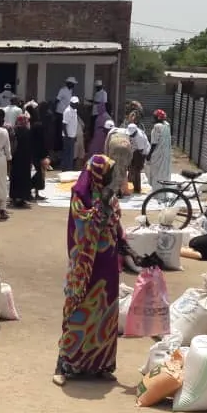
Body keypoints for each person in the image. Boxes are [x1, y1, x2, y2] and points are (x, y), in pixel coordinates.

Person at [53, 154, 139, 384]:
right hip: (85, 268)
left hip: (108, 266)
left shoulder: (110, 198)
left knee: (106, 313)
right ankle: (64, 366)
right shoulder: (80, 196)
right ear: (98, 174)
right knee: (79, 311)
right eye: (109, 173)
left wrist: (131, 252)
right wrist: (102, 204)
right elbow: (85, 225)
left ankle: (100, 364)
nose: (112, 177)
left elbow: (115, 230)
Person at [9, 115, 35, 208]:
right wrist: (31, 159)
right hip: (25, 159)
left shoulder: (14, 131)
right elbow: (31, 146)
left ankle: (14, 197)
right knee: (24, 178)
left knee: (15, 177)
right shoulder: (28, 131)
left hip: (15, 158)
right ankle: (23, 198)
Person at [26, 102, 48, 201]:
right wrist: (44, 154)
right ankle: (37, 193)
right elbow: (42, 141)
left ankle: (30, 193)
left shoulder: (28, 124)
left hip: (30, 152)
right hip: (37, 153)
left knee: (31, 173)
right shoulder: (38, 125)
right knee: (38, 173)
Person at [104, 121, 132, 198]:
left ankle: (115, 191)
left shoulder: (110, 132)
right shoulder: (125, 131)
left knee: (114, 170)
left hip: (114, 144)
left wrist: (107, 159)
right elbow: (131, 145)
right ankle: (123, 190)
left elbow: (106, 147)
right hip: (126, 145)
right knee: (123, 169)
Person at [147, 110, 172, 189]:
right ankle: (164, 188)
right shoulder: (167, 125)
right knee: (164, 171)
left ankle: (157, 190)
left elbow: (154, 143)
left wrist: (149, 154)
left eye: (154, 117)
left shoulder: (157, 126)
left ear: (157, 118)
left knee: (156, 171)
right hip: (166, 153)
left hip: (158, 153)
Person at [126, 123, 150, 196]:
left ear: (135, 131)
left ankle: (137, 188)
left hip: (141, 152)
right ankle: (130, 181)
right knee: (131, 167)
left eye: (132, 134)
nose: (131, 135)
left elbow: (141, 151)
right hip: (135, 150)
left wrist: (137, 162)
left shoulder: (140, 137)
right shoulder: (132, 133)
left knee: (136, 169)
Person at [61, 96, 80, 170]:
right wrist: (67, 136)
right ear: (71, 103)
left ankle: (69, 169)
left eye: (77, 103)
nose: (76, 105)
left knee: (71, 155)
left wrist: (74, 136)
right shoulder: (67, 111)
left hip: (72, 136)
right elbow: (64, 125)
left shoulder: (75, 110)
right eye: (75, 103)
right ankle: (65, 169)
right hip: (67, 137)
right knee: (67, 154)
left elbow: (73, 124)